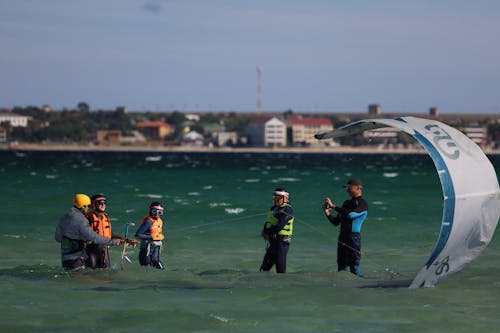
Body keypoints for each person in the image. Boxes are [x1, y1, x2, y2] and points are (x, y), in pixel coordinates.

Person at [54, 194, 123, 271]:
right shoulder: (81, 220)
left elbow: (58, 238)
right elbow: (94, 237)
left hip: (65, 259)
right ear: (83, 206)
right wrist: (112, 242)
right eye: (87, 206)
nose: (88, 209)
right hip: (77, 260)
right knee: (84, 280)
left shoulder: (64, 218)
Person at [322, 178, 368, 276]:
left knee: (354, 266)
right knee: (341, 267)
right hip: (342, 237)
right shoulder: (346, 203)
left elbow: (352, 215)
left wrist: (334, 207)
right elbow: (336, 222)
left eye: (349, 187)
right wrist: (327, 212)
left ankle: (363, 284)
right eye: (346, 188)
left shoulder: (362, 203)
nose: (347, 190)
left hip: (353, 238)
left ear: (359, 188)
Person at [85, 194, 136, 269]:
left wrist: (127, 240)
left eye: (104, 203)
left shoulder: (106, 217)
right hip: (91, 251)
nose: (103, 205)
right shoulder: (88, 218)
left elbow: (110, 235)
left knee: (106, 275)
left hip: (104, 251)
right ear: (93, 205)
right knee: (91, 275)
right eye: (100, 203)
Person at [260, 187, 294, 273]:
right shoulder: (273, 209)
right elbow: (268, 222)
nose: (275, 200)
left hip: (281, 242)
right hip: (272, 242)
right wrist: (264, 231)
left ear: (286, 198)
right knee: (263, 270)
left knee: (280, 271)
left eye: (278, 198)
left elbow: (279, 226)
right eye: (274, 198)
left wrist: (267, 232)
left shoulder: (288, 210)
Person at [135, 202, 166, 269]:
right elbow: (138, 235)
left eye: (159, 212)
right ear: (150, 211)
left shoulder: (159, 221)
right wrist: (151, 237)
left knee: (157, 265)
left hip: (155, 247)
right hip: (146, 249)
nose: (157, 214)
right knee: (145, 266)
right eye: (154, 211)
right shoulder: (148, 221)